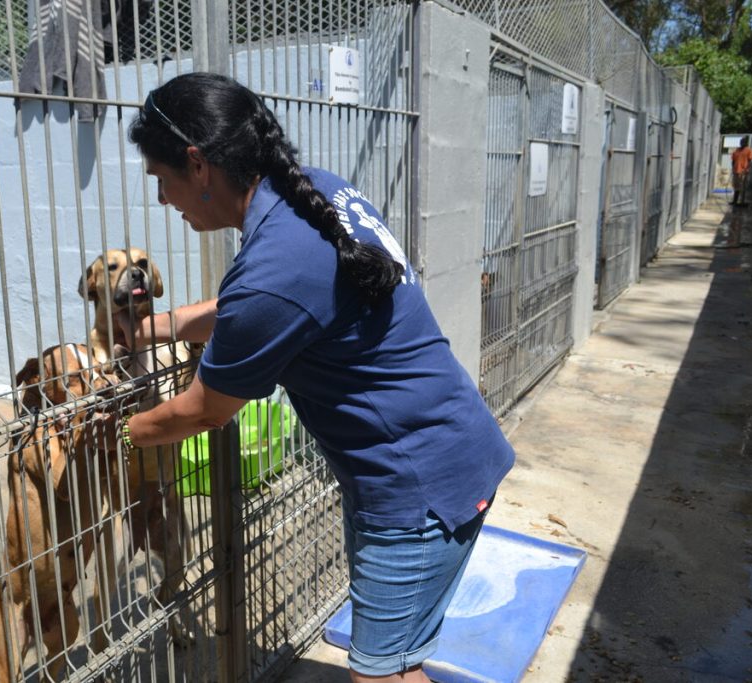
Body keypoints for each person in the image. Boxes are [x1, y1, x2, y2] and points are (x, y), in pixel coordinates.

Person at [111, 72, 515, 683]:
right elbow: (259, 313)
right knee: (396, 663)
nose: (163, 199)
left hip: (418, 486)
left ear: (197, 165)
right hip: (438, 452)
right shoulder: (315, 197)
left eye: (161, 181)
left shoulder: (274, 268)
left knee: (380, 674)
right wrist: (154, 329)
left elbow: (205, 409)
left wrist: (121, 430)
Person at [730, 136, 752, 206]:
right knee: (736, 187)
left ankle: (742, 202)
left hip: (743, 172)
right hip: (736, 171)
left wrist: (747, 169)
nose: (741, 143)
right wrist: (733, 168)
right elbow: (733, 160)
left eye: (743, 142)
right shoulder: (737, 150)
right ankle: (734, 201)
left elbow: (750, 161)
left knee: (742, 187)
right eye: (741, 142)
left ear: (745, 143)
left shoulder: (748, 150)